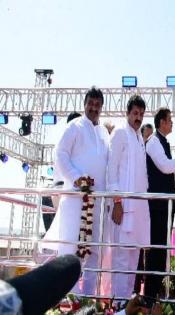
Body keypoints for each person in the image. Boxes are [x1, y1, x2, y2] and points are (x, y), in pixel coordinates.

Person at [42, 87, 109, 295]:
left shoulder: (104, 133)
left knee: (94, 250)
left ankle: (88, 299)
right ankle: (69, 299)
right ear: (85, 104)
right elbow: (60, 154)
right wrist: (76, 177)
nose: (94, 108)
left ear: (102, 107)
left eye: (98, 105)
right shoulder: (75, 126)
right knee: (71, 250)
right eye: (91, 103)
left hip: (97, 201)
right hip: (75, 199)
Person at [144, 107, 175, 299]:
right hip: (157, 206)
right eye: (170, 119)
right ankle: (149, 295)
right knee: (156, 251)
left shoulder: (162, 142)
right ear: (162, 122)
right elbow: (165, 166)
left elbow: (172, 170)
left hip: (165, 205)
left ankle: (154, 294)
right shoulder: (154, 142)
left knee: (162, 251)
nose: (172, 123)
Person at [107, 94, 150, 298]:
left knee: (133, 260)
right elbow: (111, 170)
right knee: (121, 260)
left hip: (139, 210)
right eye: (135, 113)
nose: (138, 117)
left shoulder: (139, 137)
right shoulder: (119, 134)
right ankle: (117, 305)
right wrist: (116, 202)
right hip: (122, 208)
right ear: (127, 113)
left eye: (141, 114)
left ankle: (127, 306)